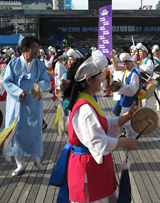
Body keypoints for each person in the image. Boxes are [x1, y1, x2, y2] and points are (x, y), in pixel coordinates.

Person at [50, 50, 138, 203]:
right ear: (89, 80)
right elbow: (98, 141)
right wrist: (123, 142)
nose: (102, 80)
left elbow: (105, 122)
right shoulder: (84, 107)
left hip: (92, 165)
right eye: (99, 77)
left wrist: (126, 117)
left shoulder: (87, 100)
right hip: (87, 170)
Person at [3, 36, 51, 176]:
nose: (37, 51)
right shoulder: (13, 63)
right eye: (34, 48)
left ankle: (36, 157)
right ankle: (20, 164)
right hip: (17, 103)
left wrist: (38, 86)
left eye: (38, 48)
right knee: (17, 133)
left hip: (33, 103)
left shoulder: (40, 64)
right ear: (25, 49)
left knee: (34, 131)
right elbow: (7, 82)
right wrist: (18, 92)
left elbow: (46, 81)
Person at [113, 52, 141, 138]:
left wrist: (122, 85)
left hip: (131, 101)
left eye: (127, 64)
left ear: (131, 62)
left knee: (124, 121)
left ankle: (133, 134)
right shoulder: (126, 72)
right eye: (124, 64)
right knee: (128, 120)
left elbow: (133, 90)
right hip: (125, 100)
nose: (126, 66)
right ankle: (131, 137)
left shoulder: (134, 74)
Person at [136, 43, 153, 108]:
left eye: (141, 51)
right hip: (140, 82)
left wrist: (141, 63)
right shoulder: (141, 60)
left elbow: (149, 70)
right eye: (139, 51)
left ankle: (145, 113)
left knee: (144, 100)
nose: (139, 53)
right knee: (141, 99)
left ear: (145, 52)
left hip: (146, 82)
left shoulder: (149, 61)